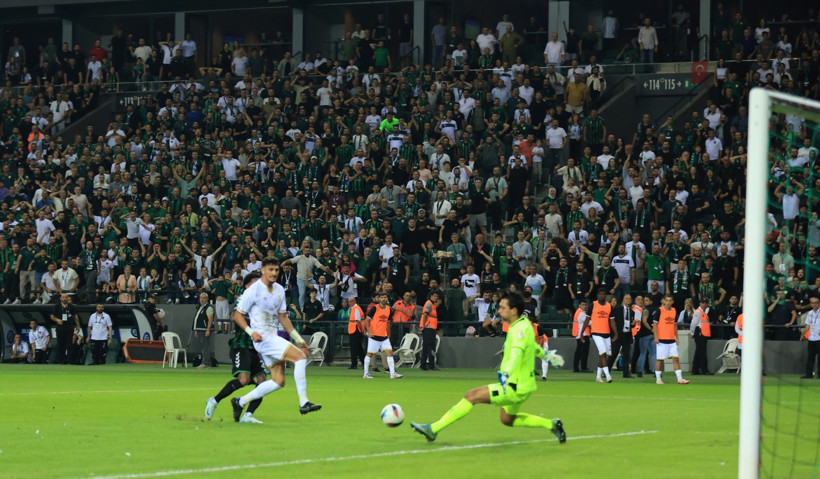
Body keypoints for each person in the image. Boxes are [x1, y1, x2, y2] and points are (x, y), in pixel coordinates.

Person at [410, 291, 566, 443]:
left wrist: (506, 373)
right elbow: (530, 345)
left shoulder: (518, 329)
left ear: (513, 310)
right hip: (525, 384)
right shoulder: (523, 324)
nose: (499, 310)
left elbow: (516, 354)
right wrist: (546, 355)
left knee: (471, 396)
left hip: (513, 385)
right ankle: (552, 424)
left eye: (503, 307)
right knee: (507, 419)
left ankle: (433, 429)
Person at [230, 257, 321, 419]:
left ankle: (240, 402)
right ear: (263, 270)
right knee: (300, 358)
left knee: (278, 381)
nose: (274, 273)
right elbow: (237, 316)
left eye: (276, 270)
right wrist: (252, 333)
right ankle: (303, 402)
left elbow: (283, 318)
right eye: (270, 270)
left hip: (272, 337)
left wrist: (299, 340)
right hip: (263, 339)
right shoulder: (253, 290)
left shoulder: (279, 289)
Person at [205, 272, 269, 423]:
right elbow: (234, 316)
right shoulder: (243, 298)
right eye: (254, 282)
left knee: (262, 381)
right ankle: (214, 401)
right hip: (241, 345)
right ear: (247, 286)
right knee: (244, 379)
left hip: (255, 347)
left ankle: (248, 415)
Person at [363, 292, 403, 379]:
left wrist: (389, 333)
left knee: (390, 353)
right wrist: (369, 331)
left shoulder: (389, 309)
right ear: (379, 299)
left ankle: (392, 373)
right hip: (374, 335)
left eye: (385, 297)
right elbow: (366, 320)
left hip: (384, 336)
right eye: (382, 297)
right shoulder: (375, 308)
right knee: (369, 354)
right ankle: (366, 373)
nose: (384, 299)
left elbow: (388, 322)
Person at [653, 295, 690, 385]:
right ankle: (658, 379)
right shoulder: (659, 310)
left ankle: (680, 379)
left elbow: (674, 325)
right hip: (662, 339)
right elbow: (654, 325)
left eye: (670, 300)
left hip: (671, 340)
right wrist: (656, 337)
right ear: (663, 301)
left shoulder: (674, 311)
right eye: (667, 300)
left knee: (675, 358)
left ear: (672, 302)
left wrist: (676, 337)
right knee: (660, 359)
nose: (668, 302)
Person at [582, 288, 615, 382]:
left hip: (606, 333)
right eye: (600, 294)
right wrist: (581, 333)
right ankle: (608, 376)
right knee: (603, 353)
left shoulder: (609, 306)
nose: (601, 296)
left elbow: (612, 321)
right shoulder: (593, 305)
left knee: (604, 356)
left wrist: (615, 333)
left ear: (605, 295)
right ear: (597, 295)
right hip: (596, 333)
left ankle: (598, 377)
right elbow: (587, 320)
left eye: (603, 294)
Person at [609, 294, 635, 378]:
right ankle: (606, 370)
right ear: (623, 300)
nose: (628, 300)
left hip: (627, 334)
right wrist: (614, 334)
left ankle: (626, 373)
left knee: (626, 355)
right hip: (619, 334)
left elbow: (630, 324)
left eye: (630, 298)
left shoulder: (632, 311)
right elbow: (612, 322)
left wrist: (633, 324)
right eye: (626, 298)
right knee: (614, 353)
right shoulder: (617, 309)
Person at [50, 293, 79, 364]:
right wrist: (57, 320)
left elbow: (75, 316)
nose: (64, 299)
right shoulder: (57, 306)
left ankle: (70, 361)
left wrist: (78, 325)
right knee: (60, 345)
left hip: (69, 328)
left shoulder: (71, 306)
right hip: (60, 329)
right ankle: (60, 361)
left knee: (69, 345)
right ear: (60, 298)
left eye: (66, 297)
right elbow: (52, 316)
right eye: (63, 297)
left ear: (68, 298)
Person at [191, 292, 215, 369]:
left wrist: (208, 330)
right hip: (200, 329)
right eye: (201, 298)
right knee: (203, 346)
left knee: (205, 347)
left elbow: (210, 320)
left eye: (204, 298)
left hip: (204, 329)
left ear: (207, 299)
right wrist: (195, 329)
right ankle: (205, 362)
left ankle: (206, 363)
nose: (202, 300)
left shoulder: (208, 307)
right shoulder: (201, 307)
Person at [689, 298, 713, 375]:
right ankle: (704, 370)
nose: (704, 304)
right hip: (699, 332)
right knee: (702, 352)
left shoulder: (703, 311)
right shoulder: (698, 312)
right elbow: (693, 323)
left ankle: (695, 370)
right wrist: (692, 333)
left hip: (702, 333)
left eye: (706, 303)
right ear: (700, 304)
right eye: (703, 303)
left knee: (699, 352)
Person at [419, 291, 441, 370]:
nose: (436, 298)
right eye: (434, 296)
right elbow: (425, 315)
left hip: (430, 328)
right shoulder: (429, 304)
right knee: (431, 347)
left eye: (437, 296)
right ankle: (431, 365)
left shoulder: (431, 304)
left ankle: (424, 365)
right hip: (429, 327)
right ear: (431, 296)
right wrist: (423, 326)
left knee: (426, 347)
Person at [800, 295, 820, 379]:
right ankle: (809, 374)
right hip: (811, 337)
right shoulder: (810, 313)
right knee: (810, 357)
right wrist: (803, 334)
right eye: (812, 303)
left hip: (819, 338)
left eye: (816, 303)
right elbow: (807, 325)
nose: (814, 305)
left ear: (819, 304)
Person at [347, 296, 366, 369]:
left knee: (355, 348)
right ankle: (363, 363)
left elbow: (358, 321)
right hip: (354, 330)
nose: (349, 303)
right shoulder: (355, 308)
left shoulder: (356, 309)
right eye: (349, 301)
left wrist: (361, 330)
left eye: (351, 301)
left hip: (355, 330)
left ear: (354, 301)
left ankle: (354, 364)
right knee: (358, 348)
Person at [571, 299, 590, 372]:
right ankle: (584, 367)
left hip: (578, 334)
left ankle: (576, 368)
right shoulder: (582, 313)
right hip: (583, 335)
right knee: (584, 352)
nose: (584, 306)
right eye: (583, 305)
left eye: (585, 305)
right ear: (579, 305)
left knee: (578, 352)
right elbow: (589, 322)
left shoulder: (578, 312)